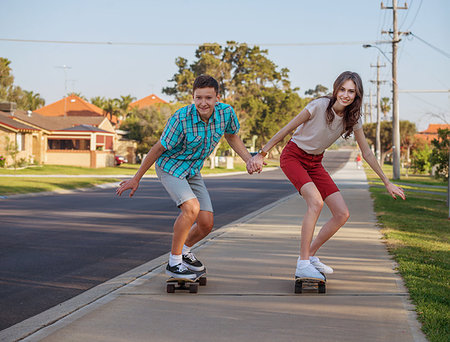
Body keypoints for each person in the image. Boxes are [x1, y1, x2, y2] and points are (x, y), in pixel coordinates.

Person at [248, 71, 405, 281]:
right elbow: (288, 128)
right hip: (293, 156)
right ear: (336, 89)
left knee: (342, 213)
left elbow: (366, 152)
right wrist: (262, 153)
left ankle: (310, 255)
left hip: (315, 162)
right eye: (343, 90)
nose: (346, 95)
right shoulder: (319, 105)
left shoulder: (353, 118)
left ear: (357, 95)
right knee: (316, 202)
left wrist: (386, 182)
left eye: (351, 91)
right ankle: (303, 264)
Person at [116, 75, 261, 279]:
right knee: (191, 208)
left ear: (217, 98)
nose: (203, 103)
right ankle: (174, 262)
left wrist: (248, 159)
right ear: (193, 97)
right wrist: (136, 178)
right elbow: (158, 149)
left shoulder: (226, 113)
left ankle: (184, 252)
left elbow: (231, 136)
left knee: (206, 223)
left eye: (208, 98)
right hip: (170, 167)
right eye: (198, 97)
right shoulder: (181, 118)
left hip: (193, 169)